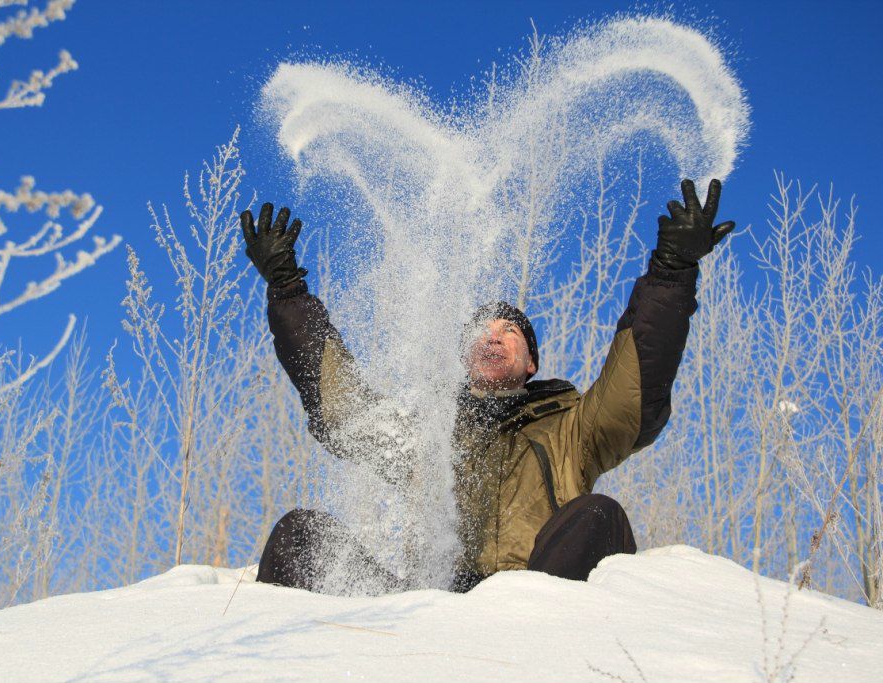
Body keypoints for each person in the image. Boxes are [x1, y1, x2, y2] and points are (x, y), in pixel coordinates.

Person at [241, 179, 735, 593]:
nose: (493, 336)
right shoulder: (430, 436)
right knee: (300, 536)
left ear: (531, 362)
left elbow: (632, 393)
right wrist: (287, 290)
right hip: (425, 611)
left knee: (597, 514)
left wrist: (671, 273)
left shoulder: (571, 430)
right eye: (482, 331)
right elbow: (343, 408)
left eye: (509, 330)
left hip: (533, 607)